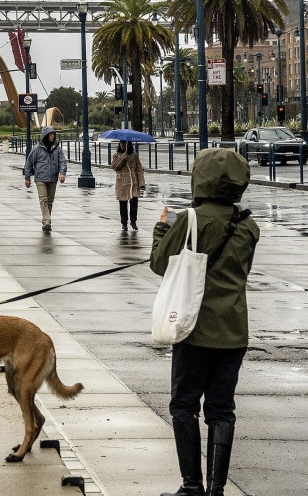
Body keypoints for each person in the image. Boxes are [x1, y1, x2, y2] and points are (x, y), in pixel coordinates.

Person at [151, 148, 259, 496]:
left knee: (183, 405)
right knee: (221, 410)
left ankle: (192, 486)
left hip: (194, 330)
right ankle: (216, 490)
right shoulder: (248, 225)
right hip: (233, 331)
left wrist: (160, 229)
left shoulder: (191, 219)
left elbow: (159, 263)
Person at [22, 126, 67, 232]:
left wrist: (62, 173)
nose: (52, 136)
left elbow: (62, 162)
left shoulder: (57, 149)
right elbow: (28, 163)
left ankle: (45, 221)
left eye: (53, 134)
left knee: (50, 201)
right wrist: (27, 178)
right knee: (43, 199)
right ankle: (47, 221)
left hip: (53, 178)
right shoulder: (37, 149)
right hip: (40, 178)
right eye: (51, 134)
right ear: (46, 136)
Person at [111, 140, 146, 232]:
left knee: (134, 202)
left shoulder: (134, 156)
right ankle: (124, 223)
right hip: (122, 183)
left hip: (133, 183)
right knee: (123, 204)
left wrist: (141, 183)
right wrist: (123, 157)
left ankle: (133, 222)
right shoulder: (116, 155)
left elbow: (139, 170)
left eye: (125, 143)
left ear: (129, 144)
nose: (123, 145)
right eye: (121, 143)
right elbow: (115, 167)